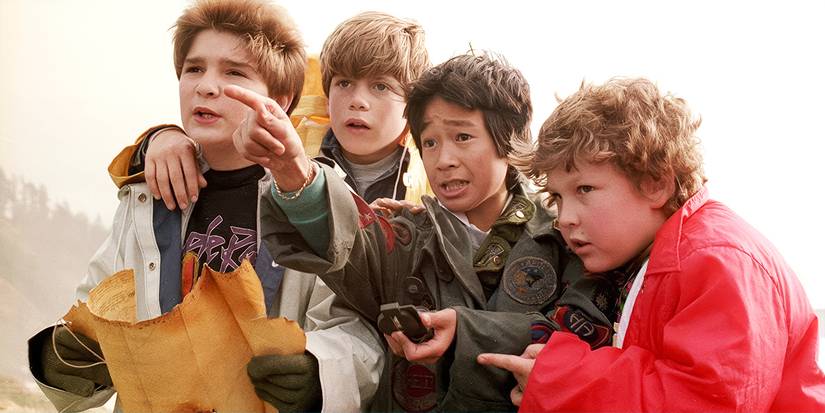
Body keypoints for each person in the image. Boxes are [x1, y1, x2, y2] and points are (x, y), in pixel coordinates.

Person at [28, 1, 383, 412]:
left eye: (234, 72)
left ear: (282, 100)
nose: (206, 86)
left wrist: (319, 371)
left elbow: (357, 330)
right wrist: (63, 361)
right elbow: (96, 311)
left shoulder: (319, 198)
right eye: (194, 69)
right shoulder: (145, 197)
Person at [230, 53, 621, 412]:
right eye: (430, 143)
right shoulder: (408, 238)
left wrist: (464, 332)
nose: (444, 160)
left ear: (509, 138)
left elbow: (587, 332)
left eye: (462, 137)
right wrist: (292, 168)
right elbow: (350, 243)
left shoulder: (565, 235)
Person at [478, 78, 825, 411]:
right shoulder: (667, 254)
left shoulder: (717, 261)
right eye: (558, 196)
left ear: (656, 185)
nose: (565, 217)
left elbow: (706, 403)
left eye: (584, 189)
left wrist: (561, 382)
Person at [137, 11, 432, 210]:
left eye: (380, 87)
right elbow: (222, 148)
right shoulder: (289, 148)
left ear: (413, 103)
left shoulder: (433, 171)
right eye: (344, 83)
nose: (358, 101)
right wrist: (163, 137)